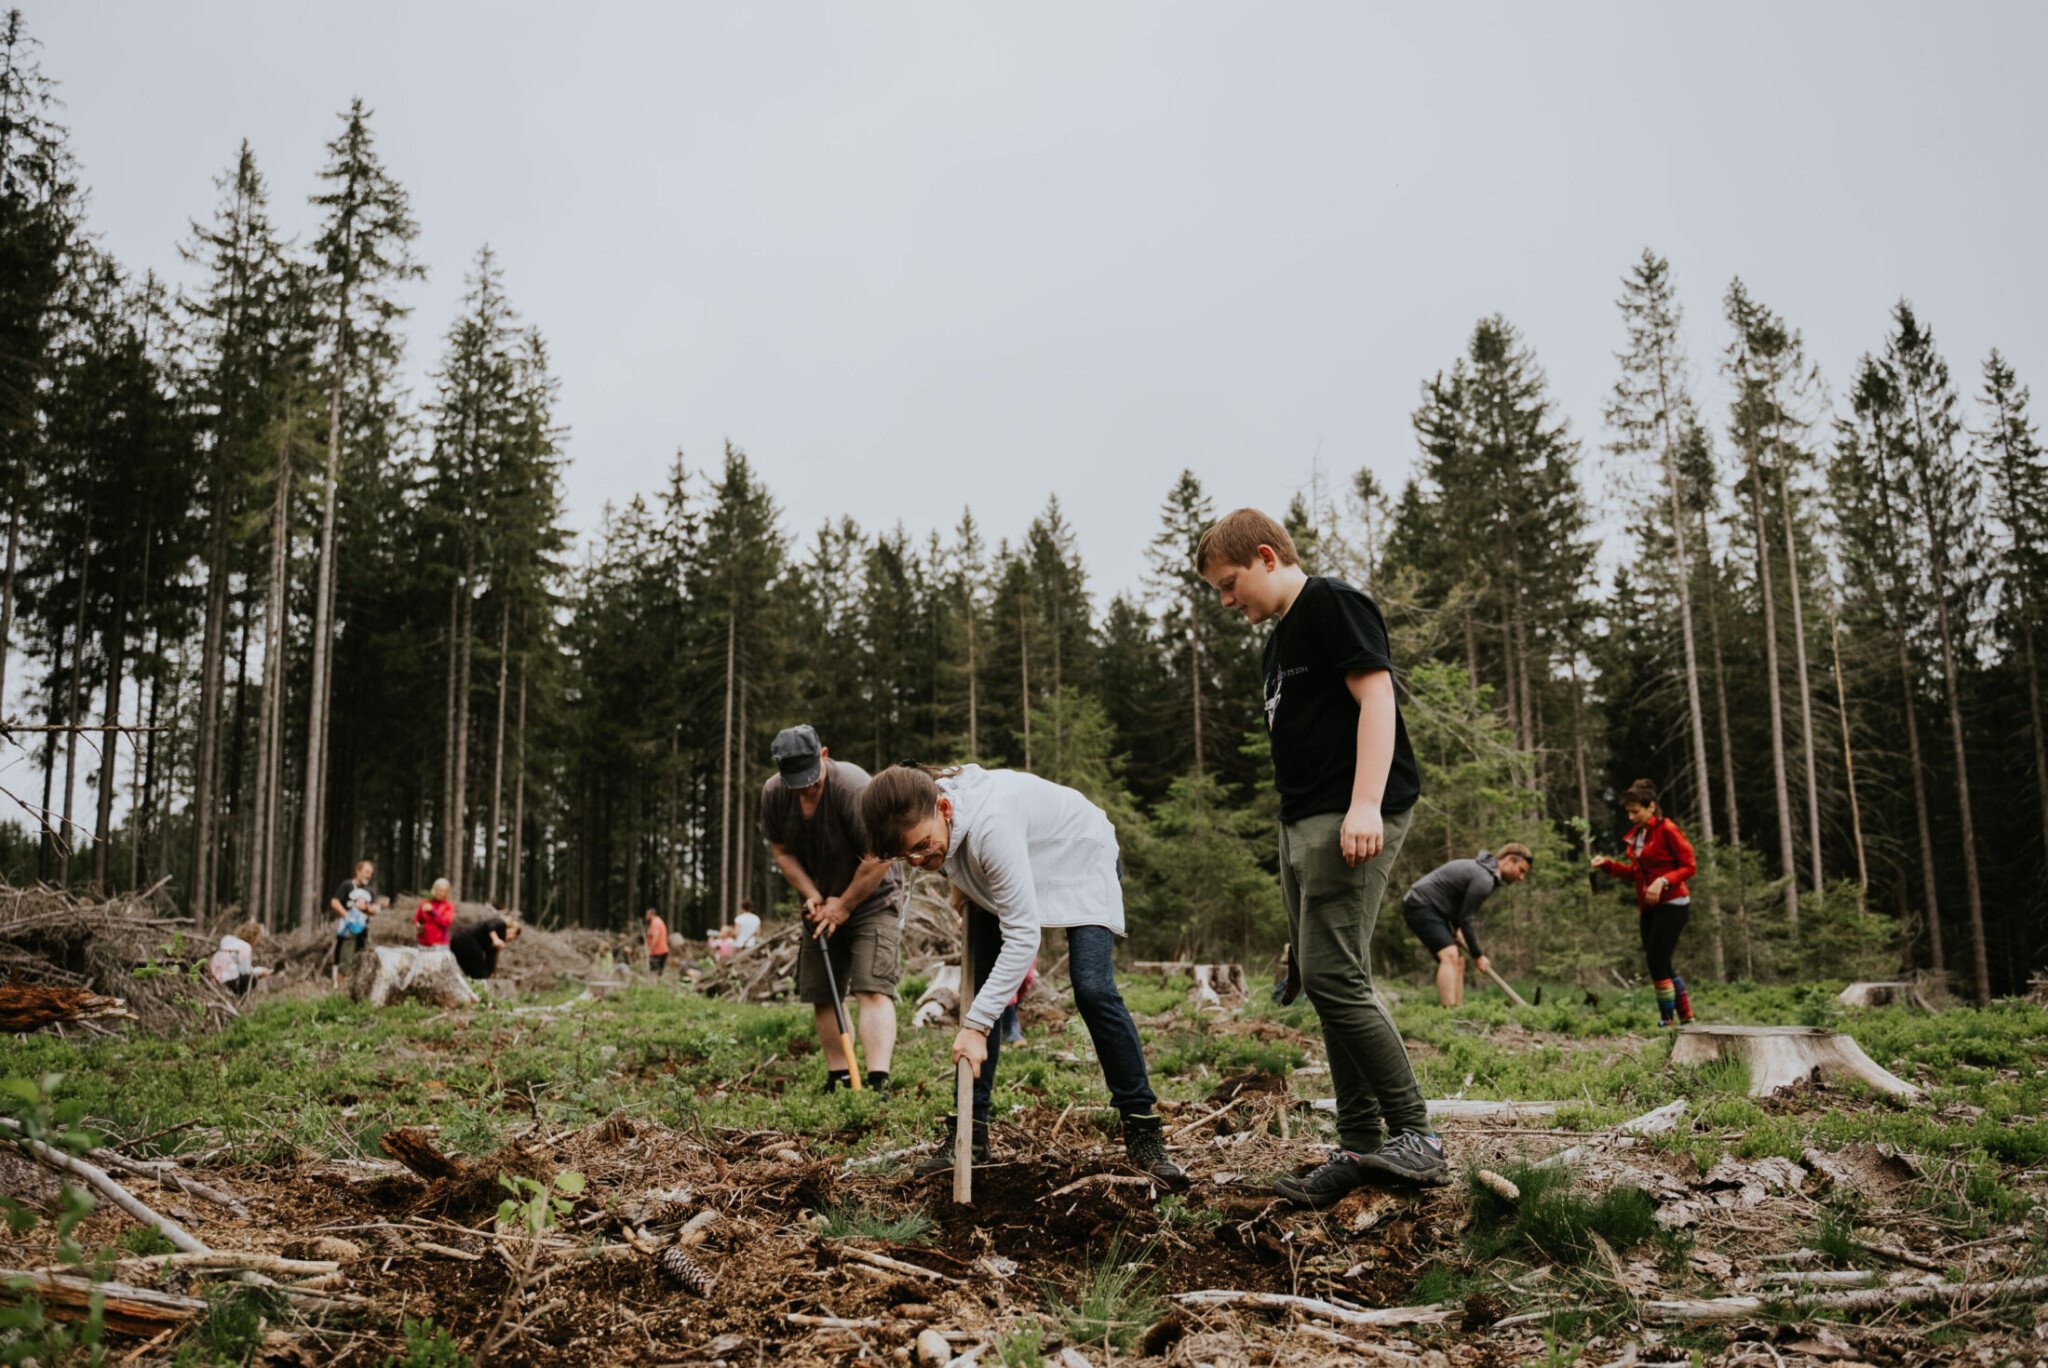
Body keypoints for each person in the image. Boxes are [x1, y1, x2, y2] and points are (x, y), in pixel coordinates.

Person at [1197, 507, 1446, 1203]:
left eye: (1228, 583)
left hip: (1352, 815)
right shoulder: (1277, 644)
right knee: (1323, 977)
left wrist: (1365, 804)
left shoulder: (1332, 604)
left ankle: (1417, 1135)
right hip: (1301, 823)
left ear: (1268, 557)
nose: (1225, 601)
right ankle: (1362, 1145)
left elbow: (1376, 698)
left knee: (1336, 975)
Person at [862, 762, 1186, 1184]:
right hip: (1018, 850)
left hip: (1078, 852)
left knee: (1092, 988)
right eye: (907, 856)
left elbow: (1023, 940)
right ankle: (970, 1134)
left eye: (922, 848)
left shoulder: (991, 826)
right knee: (980, 988)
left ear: (944, 808)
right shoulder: (929, 811)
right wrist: (959, 881)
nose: (919, 861)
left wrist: (975, 1028)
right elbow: (946, 846)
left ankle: (1143, 1130)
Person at [760, 725, 903, 1092]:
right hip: (820, 906)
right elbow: (782, 851)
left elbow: (879, 855)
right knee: (822, 993)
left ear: (823, 755)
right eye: (796, 781)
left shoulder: (853, 787)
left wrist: (845, 905)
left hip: (871, 899)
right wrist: (812, 894)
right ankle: (840, 1077)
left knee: (872, 987)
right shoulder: (775, 794)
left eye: (811, 779)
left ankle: (876, 1081)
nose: (805, 788)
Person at [1593, 778, 1698, 1027]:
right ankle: (1687, 1018)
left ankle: (1667, 1022)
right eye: (1628, 812)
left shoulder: (1667, 830)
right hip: (1649, 908)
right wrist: (1607, 865)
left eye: (1635, 811)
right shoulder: (1638, 836)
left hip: (1674, 903)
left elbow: (1689, 866)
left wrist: (1663, 880)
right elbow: (1635, 874)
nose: (1630, 817)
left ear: (1651, 806)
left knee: (1656, 961)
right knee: (1660, 962)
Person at [1402, 844, 1534, 1007]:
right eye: (1521, 871)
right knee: (1449, 956)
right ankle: (1448, 1015)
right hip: (1420, 904)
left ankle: (1458, 1012)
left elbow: (1460, 908)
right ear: (1509, 860)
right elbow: (1467, 919)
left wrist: (1458, 930)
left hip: (1436, 909)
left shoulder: (1485, 875)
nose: (1521, 877)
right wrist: (1478, 955)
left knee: (1458, 960)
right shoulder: (1484, 878)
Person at [329, 859, 380, 975]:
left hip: (364, 932)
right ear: (358, 871)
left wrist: (366, 908)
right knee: (344, 963)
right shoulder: (347, 885)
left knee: (366, 959)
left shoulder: (369, 891)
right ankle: (340, 991)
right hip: (347, 931)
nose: (369, 875)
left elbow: (375, 910)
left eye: (371, 873)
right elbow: (334, 902)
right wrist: (347, 915)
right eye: (367, 872)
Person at [451, 914, 522, 981]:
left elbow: (491, 957)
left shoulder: (495, 943)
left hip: (460, 942)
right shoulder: (501, 924)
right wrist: (495, 939)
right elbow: (489, 925)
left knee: (473, 972)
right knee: (479, 972)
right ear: (510, 927)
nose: (512, 937)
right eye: (514, 933)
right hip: (465, 938)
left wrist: (491, 972)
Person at [209, 921, 271, 997]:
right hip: (227, 981)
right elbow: (245, 971)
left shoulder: (227, 941)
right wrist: (261, 971)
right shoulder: (245, 946)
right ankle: (239, 999)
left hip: (213, 980)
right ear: (254, 937)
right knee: (250, 980)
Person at [414, 879, 456, 948]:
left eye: (445, 891)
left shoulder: (448, 906)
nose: (442, 893)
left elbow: (446, 922)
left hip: (440, 944)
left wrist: (432, 911)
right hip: (423, 943)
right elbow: (417, 918)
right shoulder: (425, 902)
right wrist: (417, 924)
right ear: (434, 890)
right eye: (440, 890)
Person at [645, 907, 670, 976]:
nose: (646, 916)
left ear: (652, 914)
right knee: (658, 973)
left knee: (653, 973)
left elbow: (656, 935)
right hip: (662, 951)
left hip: (657, 952)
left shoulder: (655, 923)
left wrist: (650, 949)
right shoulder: (658, 921)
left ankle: (653, 986)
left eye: (647, 914)